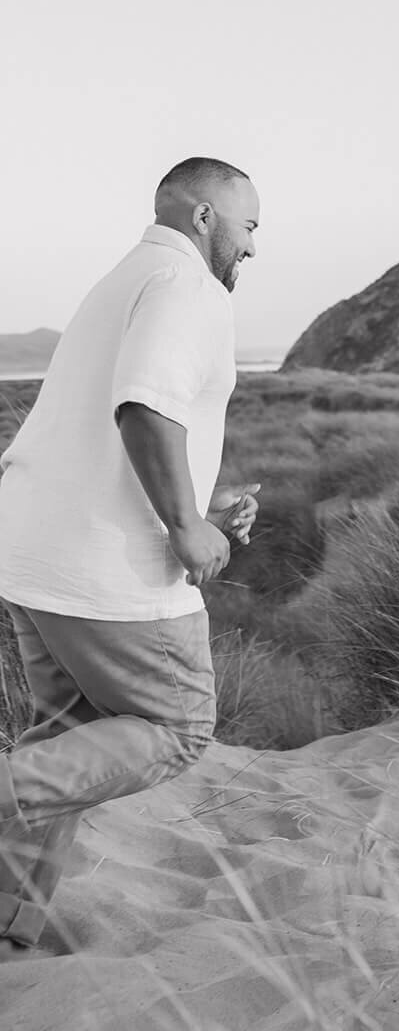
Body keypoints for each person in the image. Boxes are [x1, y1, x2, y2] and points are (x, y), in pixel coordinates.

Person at [0, 157, 262, 959]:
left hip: (33, 556)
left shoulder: (121, 280)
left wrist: (202, 501)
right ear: (204, 216)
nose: (253, 248)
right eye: (249, 226)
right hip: (102, 575)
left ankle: (9, 934)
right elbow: (143, 405)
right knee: (178, 726)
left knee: (67, 733)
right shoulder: (187, 285)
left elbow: (98, 424)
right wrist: (185, 526)